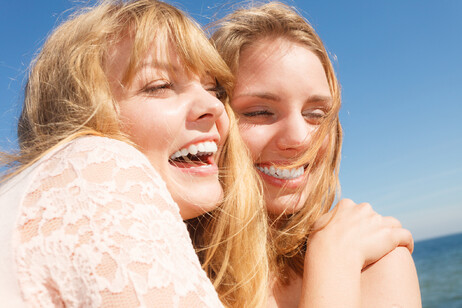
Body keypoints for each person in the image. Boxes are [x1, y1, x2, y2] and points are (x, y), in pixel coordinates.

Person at [0, 0, 268, 307]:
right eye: (160, 85)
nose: (216, 107)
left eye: (214, 88)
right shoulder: (97, 162)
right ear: (80, 113)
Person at [212, 2, 421, 307]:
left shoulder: (374, 265)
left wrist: (336, 258)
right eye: (260, 111)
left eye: (315, 114)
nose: (299, 139)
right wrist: (333, 268)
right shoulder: (165, 268)